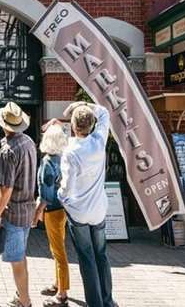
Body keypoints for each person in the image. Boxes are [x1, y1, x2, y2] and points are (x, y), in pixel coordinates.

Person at [56, 102, 117, 307]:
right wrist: (82, 104)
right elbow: (104, 111)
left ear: (73, 127)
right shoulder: (99, 141)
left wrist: (62, 197)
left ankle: (95, 304)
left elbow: (67, 185)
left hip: (79, 211)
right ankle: (107, 301)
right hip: (98, 209)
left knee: (86, 258)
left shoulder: (70, 151)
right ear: (91, 126)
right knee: (101, 255)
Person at [0, 102, 37, 307]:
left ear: (4, 125)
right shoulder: (28, 141)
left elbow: (5, 189)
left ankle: (25, 302)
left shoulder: (8, 151)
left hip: (14, 211)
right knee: (20, 256)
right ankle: (21, 295)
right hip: (27, 208)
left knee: (16, 261)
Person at [32, 125, 70, 307]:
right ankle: (58, 283)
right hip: (61, 208)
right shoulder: (61, 159)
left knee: (58, 251)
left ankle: (62, 293)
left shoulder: (47, 163)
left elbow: (46, 194)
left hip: (52, 210)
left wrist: (36, 213)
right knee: (58, 248)